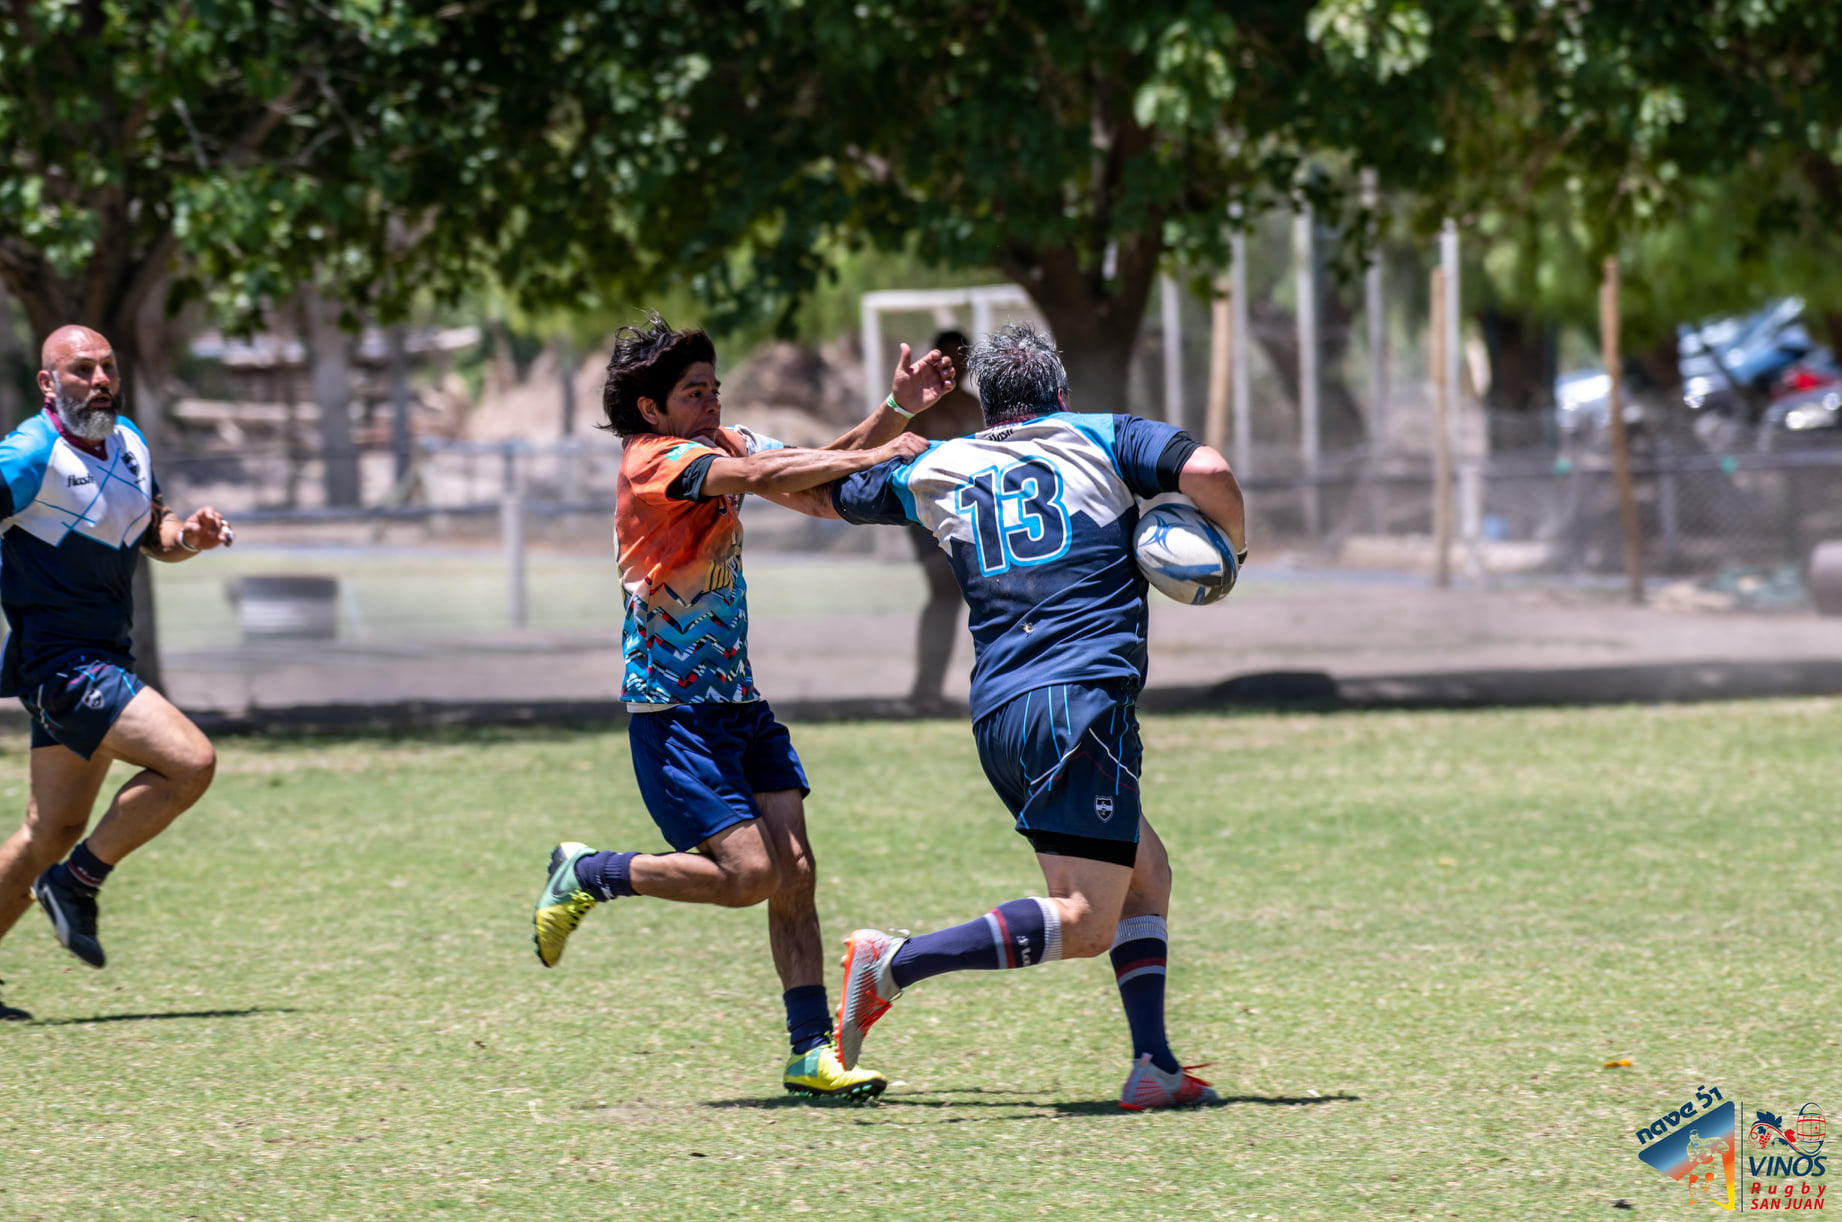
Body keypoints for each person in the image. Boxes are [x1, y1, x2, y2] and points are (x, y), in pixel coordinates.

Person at [782, 323, 1247, 1109]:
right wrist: (1233, 546)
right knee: (1086, 919)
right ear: (1060, 394)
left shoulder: (941, 461)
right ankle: (894, 962)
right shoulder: (1100, 437)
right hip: (1080, 699)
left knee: (1147, 873)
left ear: (989, 405)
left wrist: (894, 412)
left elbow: (814, 487)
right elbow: (1208, 467)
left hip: (1001, 709)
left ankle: (1153, 1065)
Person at [531, 314, 954, 1099]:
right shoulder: (654, 462)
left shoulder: (722, 445)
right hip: (675, 713)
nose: (712, 402)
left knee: (795, 868)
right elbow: (770, 478)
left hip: (740, 702)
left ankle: (809, 1052)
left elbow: (808, 477)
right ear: (652, 409)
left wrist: (895, 414)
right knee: (747, 875)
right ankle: (589, 873)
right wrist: (877, 449)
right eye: (694, 392)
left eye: (715, 387)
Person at [0, 325, 233, 1022]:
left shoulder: (128, 440)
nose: (100, 379)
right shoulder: (28, 454)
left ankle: (61, 872)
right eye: (81, 370)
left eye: (106, 367)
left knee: (50, 829)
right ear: (49, 384)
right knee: (190, 763)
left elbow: (151, 529)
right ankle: (75, 886)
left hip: (100, 660)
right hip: (63, 664)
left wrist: (186, 537)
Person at [901, 330, 983, 712]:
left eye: (962, 357)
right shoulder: (918, 407)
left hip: (964, 512)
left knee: (955, 597)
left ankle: (929, 690)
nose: (957, 365)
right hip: (924, 513)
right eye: (949, 357)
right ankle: (925, 690)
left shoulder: (974, 407)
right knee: (944, 593)